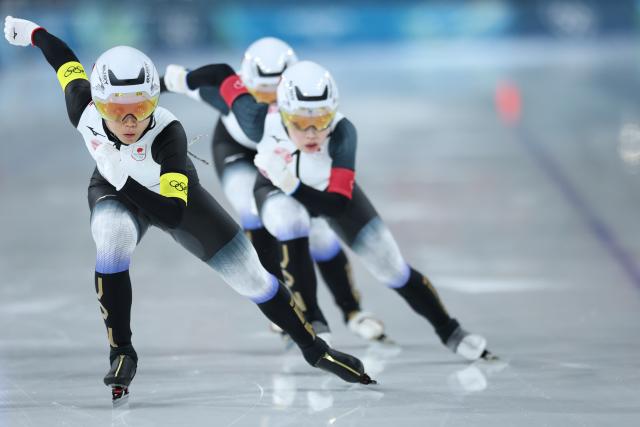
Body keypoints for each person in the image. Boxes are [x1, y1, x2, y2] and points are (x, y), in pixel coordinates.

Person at [3, 16, 375, 404]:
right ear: (97, 102)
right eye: (117, 110)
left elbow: (172, 216)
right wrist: (33, 33)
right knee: (112, 238)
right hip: (112, 191)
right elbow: (63, 60)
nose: (130, 122)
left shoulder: (168, 133)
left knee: (254, 278)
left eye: (142, 106)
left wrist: (125, 178)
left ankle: (315, 349)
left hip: (172, 197)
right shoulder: (81, 106)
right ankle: (121, 351)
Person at [165, 58, 496, 361]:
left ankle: (449, 330)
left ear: (332, 113)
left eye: (320, 120)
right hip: (276, 190)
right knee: (288, 218)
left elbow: (336, 205)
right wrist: (170, 80)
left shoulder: (342, 132)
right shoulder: (255, 118)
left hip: (319, 191)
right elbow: (222, 74)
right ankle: (314, 320)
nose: (312, 133)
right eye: (300, 122)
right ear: (281, 112)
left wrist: (293, 183)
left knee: (391, 269)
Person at [162, 36, 387, 343]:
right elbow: (181, 82)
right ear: (244, 85)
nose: (267, 103)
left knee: (320, 232)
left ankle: (352, 310)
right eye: (259, 93)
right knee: (254, 212)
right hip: (238, 153)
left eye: (275, 94)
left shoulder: (305, 107)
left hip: (288, 157)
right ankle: (286, 310)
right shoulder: (230, 96)